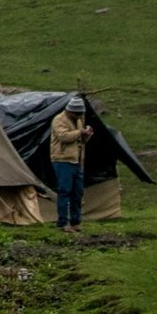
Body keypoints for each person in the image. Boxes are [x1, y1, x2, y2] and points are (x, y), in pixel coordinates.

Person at [50, 94, 94, 233]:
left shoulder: (78, 120)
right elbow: (63, 137)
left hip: (76, 160)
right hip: (62, 159)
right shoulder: (59, 120)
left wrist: (86, 135)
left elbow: (79, 140)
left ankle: (75, 221)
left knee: (77, 193)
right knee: (64, 191)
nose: (79, 116)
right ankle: (62, 222)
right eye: (77, 113)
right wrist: (80, 132)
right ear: (70, 111)